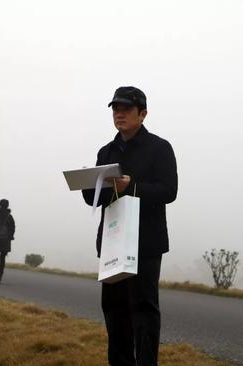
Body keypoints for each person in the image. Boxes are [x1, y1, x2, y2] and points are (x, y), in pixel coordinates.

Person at [82, 86, 178, 365]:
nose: (119, 114)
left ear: (143, 114)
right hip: (112, 241)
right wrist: (90, 184)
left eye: (126, 109)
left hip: (145, 242)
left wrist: (130, 186)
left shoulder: (160, 148)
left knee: (144, 310)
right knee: (114, 310)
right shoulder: (106, 151)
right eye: (115, 108)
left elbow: (168, 191)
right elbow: (93, 199)